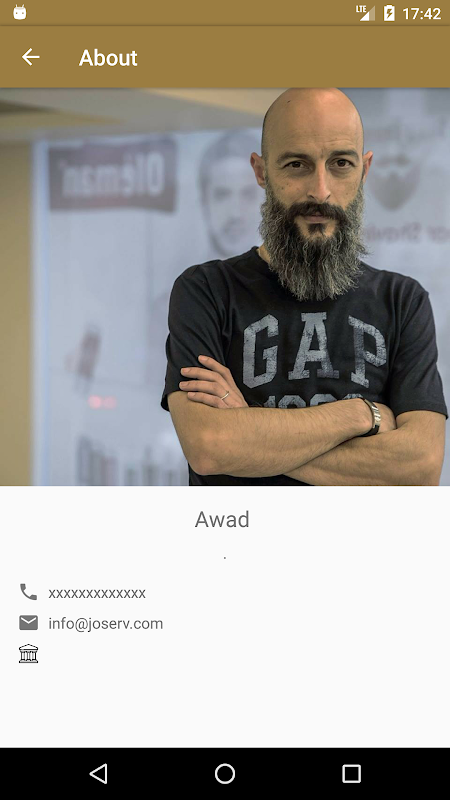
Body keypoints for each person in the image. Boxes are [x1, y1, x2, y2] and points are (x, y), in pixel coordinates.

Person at [161, 88, 447, 486]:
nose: (320, 190)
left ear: (364, 170)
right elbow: (210, 447)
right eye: (297, 164)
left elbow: (420, 468)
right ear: (261, 171)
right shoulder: (206, 291)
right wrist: (361, 415)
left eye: (341, 164)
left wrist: (250, 434)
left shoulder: (402, 301)